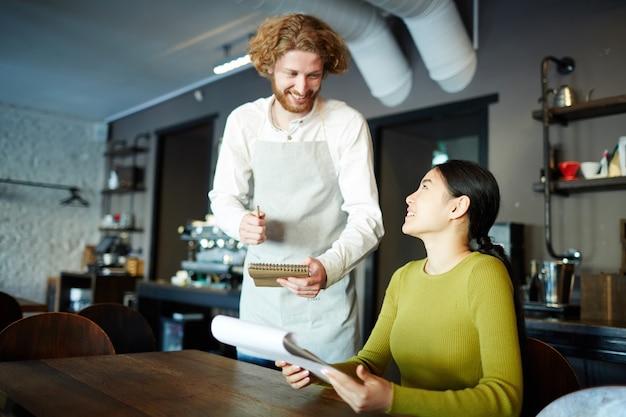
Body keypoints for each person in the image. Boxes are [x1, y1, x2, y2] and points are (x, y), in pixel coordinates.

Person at [278, 160, 527, 417]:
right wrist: (318, 370)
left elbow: (506, 398)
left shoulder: (485, 273)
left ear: (457, 206)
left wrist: (392, 398)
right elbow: (368, 365)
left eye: (425, 188)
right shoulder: (403, 277)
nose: (410, 197)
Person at [208, 13, 384, 367]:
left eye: (314, 75)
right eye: (291, 74)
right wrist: (239, 222)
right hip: (262, 309)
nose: (302, 88)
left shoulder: (345, 123)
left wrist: (328, 267)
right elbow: (223, 198)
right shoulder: (245, 121)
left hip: (326, 310)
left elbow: (368, 217)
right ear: (270, 66)